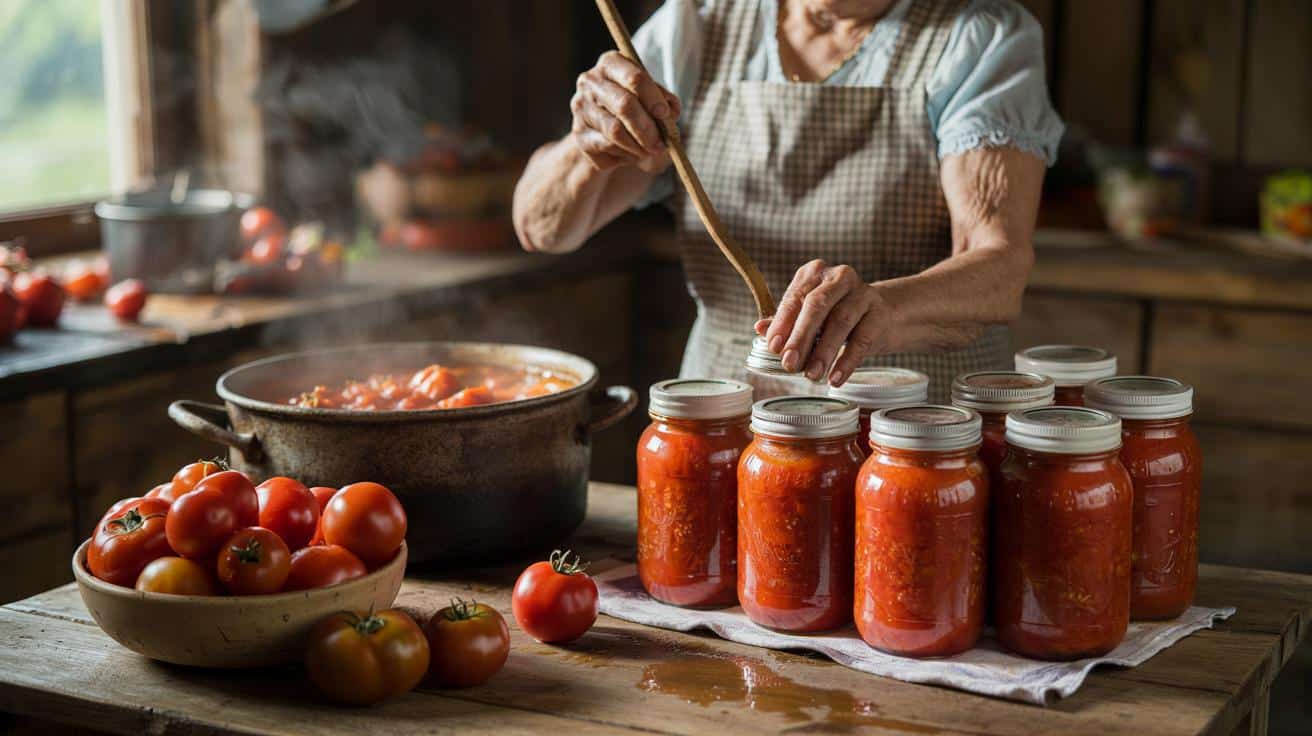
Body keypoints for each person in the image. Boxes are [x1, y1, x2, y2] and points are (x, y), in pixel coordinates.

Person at [513, 0, 1063, 399]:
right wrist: (588, 146)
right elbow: (540, 227)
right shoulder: (696, 27)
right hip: (729, 417)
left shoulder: (979, 37)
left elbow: (999, 268)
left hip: (912, 430)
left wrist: (881, 309)